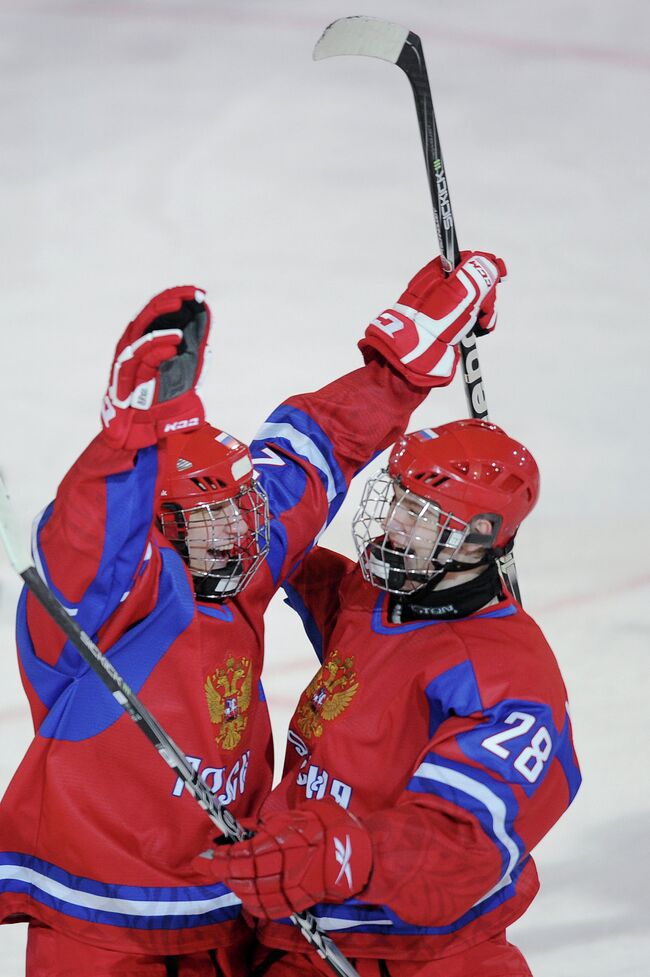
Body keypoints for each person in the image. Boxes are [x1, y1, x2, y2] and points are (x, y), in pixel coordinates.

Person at [0, 253, 505, 976]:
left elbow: (317, 446)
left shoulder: (239, 552)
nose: (242, 529)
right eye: (213, 517)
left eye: (241, 506)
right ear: (161, 525)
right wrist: (123, 442)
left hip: (234, 910)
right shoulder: (108, 602)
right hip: (105, 928)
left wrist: (400, 369)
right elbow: (88, 539)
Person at [209, 419, 582, 977]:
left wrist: (341, 854)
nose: (392, 522)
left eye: (419, 514)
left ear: (477, 534)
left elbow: (462, 844)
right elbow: (340, 601)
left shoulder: (505, 677)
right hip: (298, 934)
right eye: (397, 500)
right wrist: (268, 545)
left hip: (430, 954)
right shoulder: (380, 593)